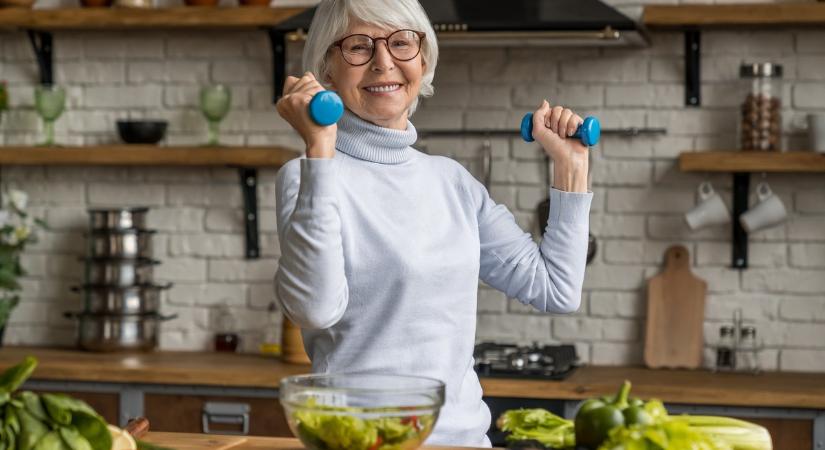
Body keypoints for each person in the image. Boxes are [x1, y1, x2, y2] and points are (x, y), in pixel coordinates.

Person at [274, 0, 593, 446]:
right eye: (359, 46)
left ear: (422, 61)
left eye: (402, 43)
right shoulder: (310, 174)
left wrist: (572, 168)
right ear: (327, 69)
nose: (384, 62)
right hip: (361, 442)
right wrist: (320, 148)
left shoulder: (451, 181)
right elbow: (314, 309)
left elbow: (556, 289)